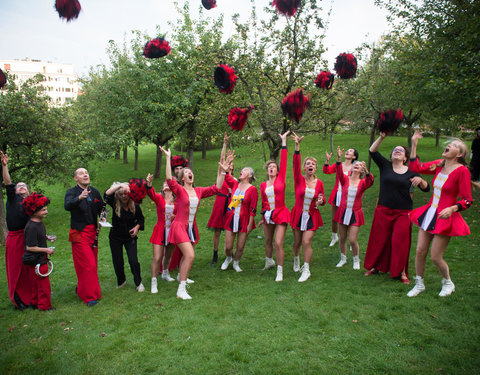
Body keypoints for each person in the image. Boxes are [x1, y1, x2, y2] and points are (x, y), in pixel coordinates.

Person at [407, 131, 473, 297]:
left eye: (455, 146)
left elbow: (467, 200)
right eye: (450, 144)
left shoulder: (462, 171)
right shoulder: (439, 165)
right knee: (420, 251)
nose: (449, 146)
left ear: (459, 154)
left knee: (435, 256)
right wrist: (414, 144)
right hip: (429, 213)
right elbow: (415, 168)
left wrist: (452, 209)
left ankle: (448, 282)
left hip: (445, 217)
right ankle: (419, 284)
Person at [159, 146, 230, 300]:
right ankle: (181, 289)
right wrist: (167, 158)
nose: (190, 173)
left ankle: (181, 277)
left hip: (190, 227)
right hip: (178, 226)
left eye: (190, 172)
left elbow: (217, 187)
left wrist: (223, 172)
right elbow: (169, 179)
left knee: (188, 256)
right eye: (186, 173)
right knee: (190, 255)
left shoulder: (198, 191)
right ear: (182, 178)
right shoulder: (178, 189)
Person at [364, 132, 430, 283]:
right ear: (391, 156)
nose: (397, 151)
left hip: (403, 212)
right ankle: (375, 267)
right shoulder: (385, 166)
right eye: (395, 150)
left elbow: (426, 189)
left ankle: (402, 272)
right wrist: (381, 137)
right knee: (380, 240)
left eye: (400, 150)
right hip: (383, 210)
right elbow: (372, 151)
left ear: (405, 158)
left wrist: (421, 180)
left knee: (400, 241)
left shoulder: (412, 171)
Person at [289, 132, 325, 282]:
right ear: (304, 168)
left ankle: (307, 269)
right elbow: (295, 163)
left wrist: (320, 202)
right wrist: (297, 146)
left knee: (306, 242)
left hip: (312, 215)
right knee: (297, 242)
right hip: (298, 214)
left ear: (315, 168)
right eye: (308, 164)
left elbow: (322, 199)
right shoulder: (299, 179)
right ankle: (296, 258)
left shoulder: (320, 183)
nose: (310, 166)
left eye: (313, 164)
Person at [64, 168, 104, 307]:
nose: (85, 174)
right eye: (81, 174)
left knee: (92, 264)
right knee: (88, 265)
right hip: (79, 234)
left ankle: (83, 289)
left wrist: (103, 218)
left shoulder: (94, 191)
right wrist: (79, 198)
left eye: (86, 172)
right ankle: (89, 297)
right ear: (76, 178)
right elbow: (67, 205)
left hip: (93, 233)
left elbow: (101, 209)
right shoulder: (71, 192)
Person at [1, 151, 34, 310]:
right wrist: (4, 166)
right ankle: (18, 298)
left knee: (29, 268)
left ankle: (31, 296)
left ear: (27, 191)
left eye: (24, 185)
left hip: (28, 238)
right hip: (15, 238)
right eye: (18, 186)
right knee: (16, 268)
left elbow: (33, 223)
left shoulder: (30, 204)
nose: (21, 186)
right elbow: (8, 182)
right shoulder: (13, 199)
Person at [334, 147, 374, 270]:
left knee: (352, 239)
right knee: (342, 238)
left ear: (361, 170)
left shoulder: (363, 183)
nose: (356, 166)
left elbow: (371, 181)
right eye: (354, 165)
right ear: (351, 168)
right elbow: (339, 170)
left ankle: (356, 260)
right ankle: (343, 258)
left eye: (359, 165)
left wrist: (367, 172)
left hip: (355, 213)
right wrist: (339, 158)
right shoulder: (345, 179)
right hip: (342, 211)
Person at [260, 131, 291, 282]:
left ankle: (280, 270)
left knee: (278, 242)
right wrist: (262, 216)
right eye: (269, 167)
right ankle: (269, 261)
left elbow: (284, 161)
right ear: (267, 171)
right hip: (268, 215)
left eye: (274, 167)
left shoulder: (281, 179)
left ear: (277, 170)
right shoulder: (262, 185)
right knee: (267, 241)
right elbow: (263, 202)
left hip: (281, 214)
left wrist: (283, 142)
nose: (272, 168)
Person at [104, 182, 145, 292]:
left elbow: (141, 219)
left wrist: (137, 227)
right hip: (115, 237)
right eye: (121, 194)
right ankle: (121, 281)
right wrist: (120, 185)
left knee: (133, 260)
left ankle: (138, 282)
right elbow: (106, 194)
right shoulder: (114, 203)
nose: (123, 196)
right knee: (118, 261)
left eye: (125, 194)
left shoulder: (135, 206)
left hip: (129, 237)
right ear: (117, 196)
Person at [220, 162, 258, 272]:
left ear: (250, 175)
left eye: (245, 170)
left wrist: (250, 224)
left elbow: (253, 208)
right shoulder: (235, 184)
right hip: (231, 218)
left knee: (240, 246)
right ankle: (228, 258)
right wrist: (226, 170)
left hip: (244, 220)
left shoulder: (252, 189)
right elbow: (227, 177)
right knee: (228, 247)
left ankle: (236, 262)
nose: (242, 171)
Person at [22, 192, 55, 311]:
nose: (46, 212)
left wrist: (46, 237)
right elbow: (30, 247)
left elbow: (37, 236)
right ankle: (45, 306)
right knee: (43, 285)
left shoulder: (38, 223)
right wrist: (47, 249)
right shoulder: (31, 226)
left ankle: (35, 303)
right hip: (37, 260)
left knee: (36, 284)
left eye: (46, 209)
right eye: (43, 210)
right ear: (34, 211)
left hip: (38, 259)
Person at [207, 133, 236, 266]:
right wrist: (224, 144)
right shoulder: (221, 174)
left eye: (231, 164)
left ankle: (229, 252)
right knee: (217, 231)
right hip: (220, 202)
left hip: (230, 204)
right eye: (228, 163)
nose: (229, 165)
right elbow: (221, 158)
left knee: (230, 229)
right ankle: (215, 253)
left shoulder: (235, 180)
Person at [146, 174, 176, 294]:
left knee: (168, 255)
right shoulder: (159, 198)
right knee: (157, 257)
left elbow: (183, 212)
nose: (165, 184)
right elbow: (151, 193)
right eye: (163, 184)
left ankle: (165, 273)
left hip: (172, 230)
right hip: (160, 230)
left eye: (167, 183)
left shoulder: (177, 200)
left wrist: (176, 216)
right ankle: (154, 282)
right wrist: (149, 184)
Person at [323, 147, 358, 247]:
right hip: (336, 194)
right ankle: (334, 237)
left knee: (348, 219)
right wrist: (327, 160)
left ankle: (352, 240)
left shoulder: (355, 167)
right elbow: (327, 171)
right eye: (348, 150)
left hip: (349, 196)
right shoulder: (339, 164)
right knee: (334, 218)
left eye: (351, 151)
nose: (347, 151)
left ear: (354, 156)